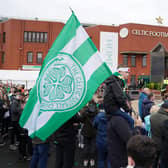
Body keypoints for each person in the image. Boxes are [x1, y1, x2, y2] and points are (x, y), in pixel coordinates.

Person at [104, 64, 133, 168]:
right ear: (120, 72)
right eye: (126, 72)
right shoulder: (116, 82)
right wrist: (127, 108)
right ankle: (132, 143)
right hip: (113, 108)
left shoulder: (113, 81)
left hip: (111, 109)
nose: (128, 74)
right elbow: (119, 97)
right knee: (130, 120)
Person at [80, 99, 98, 167]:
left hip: (86, 131)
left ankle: (85, 160)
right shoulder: (97, 111)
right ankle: (92, 160)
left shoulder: (85, 111)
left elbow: (81, 120)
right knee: (93, 146)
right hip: (94, 131)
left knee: (86, 146)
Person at [150, 102, 168, 168]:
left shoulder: (152, 116)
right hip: (162, 144)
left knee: (154, 161)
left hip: (154, 141)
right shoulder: (166, 119)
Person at [93, 104, 110, 168]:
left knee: (100, 159)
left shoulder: (99, 116)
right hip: (110, 140)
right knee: (109, 160)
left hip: (100, 140)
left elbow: (94, 125)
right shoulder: (112, 116)